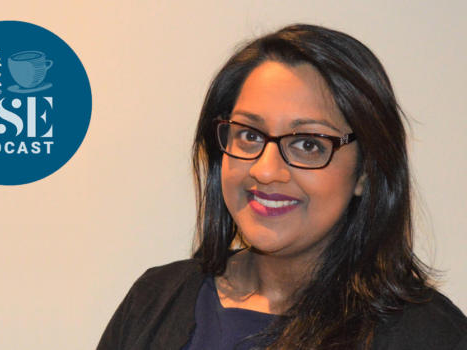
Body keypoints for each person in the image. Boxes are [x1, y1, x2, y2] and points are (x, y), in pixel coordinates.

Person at [98, 24, 467, 349]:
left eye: (308, 144)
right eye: (248, 134)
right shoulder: (155, 298)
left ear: (366, 172)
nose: (266, 170)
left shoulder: (431, 336)